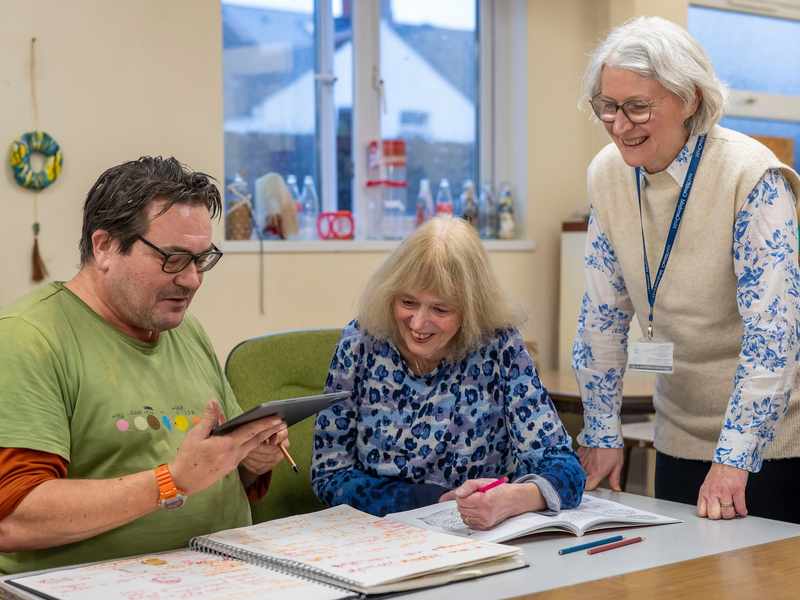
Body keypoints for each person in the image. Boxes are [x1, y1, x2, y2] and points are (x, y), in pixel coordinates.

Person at [0, 157, 289, 574]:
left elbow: (211, 471)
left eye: (200, 259)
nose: (191, 280)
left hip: (224, 574)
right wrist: (171, 482)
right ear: (104, 247)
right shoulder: (29, 339)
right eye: (172, 258)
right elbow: (13, 519)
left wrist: (249, 459)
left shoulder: (184, 331)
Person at [573, 16, 800, 523]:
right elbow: (601, 318)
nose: (619, 125)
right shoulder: (608, 174)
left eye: (637, 107)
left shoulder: (751, 174)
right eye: (607, 107)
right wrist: (603, 432)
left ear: (691, 99)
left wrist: (734, 459)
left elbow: (774, 336)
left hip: (772, 444)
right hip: (676, 430)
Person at [312, 216, 585, 529]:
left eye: (440, 310)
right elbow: (329, 472)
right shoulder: (360, 344)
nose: (417, 323)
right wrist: (433, 501)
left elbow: (565, 468)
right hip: (378, 535)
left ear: (470, 310)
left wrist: (513, 498)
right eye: (407, 302)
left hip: (478, 536)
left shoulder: (498, 346)